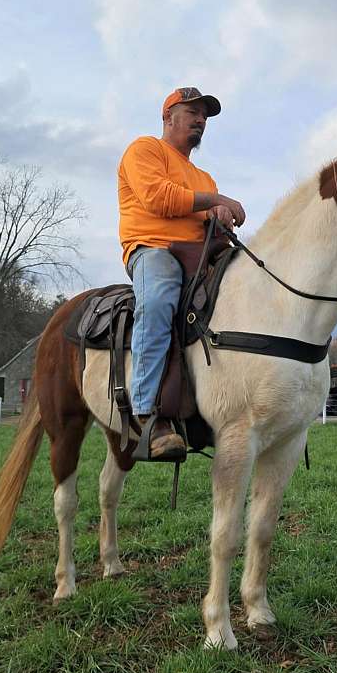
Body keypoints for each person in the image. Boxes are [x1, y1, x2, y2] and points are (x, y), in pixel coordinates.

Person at [118, 87, 245, 458]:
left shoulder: (204, 177)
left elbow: (207, 215)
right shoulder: (144, 150)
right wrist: (217, 202)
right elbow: (159, 197)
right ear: (168, 117)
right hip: (153, 249)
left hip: (199, 255)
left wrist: (220, 218)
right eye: (192, 112)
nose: (200, 120)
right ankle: (148, 413)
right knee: (158, 301)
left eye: (204, 116)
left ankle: (219, 405)